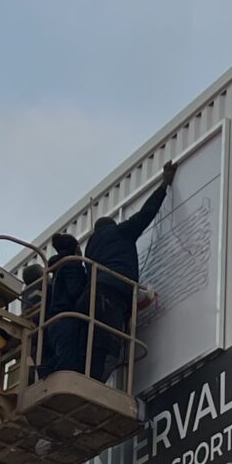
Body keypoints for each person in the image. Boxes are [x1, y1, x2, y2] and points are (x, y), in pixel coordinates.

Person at [39, 162, 173, 384]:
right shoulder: (120, 233)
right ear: (111, 225)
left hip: (90, 299)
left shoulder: (90, 250)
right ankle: (91, 380)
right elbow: (146, 214)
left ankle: (77, 375)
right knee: (106, 347)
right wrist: (164, 185)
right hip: (111, 295)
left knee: (87, 343)